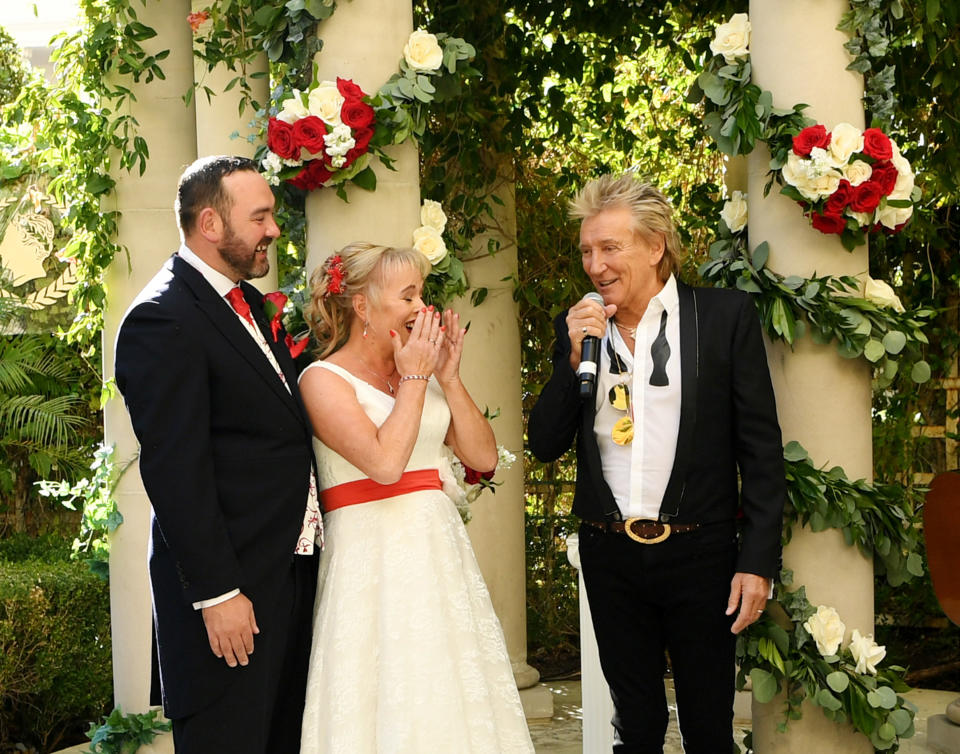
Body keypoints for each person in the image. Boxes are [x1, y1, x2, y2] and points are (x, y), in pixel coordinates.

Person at [529, 173, 785, 753]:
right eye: (588, 251)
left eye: (610, 248)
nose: (595, 266)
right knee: (636, 727)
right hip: (609, 550)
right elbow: (544, 442)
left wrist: (757, 560)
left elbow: (761, 450)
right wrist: (571, 361)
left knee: (708, 729)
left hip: (703, 553)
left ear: (655, 245)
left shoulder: (722, 318)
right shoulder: (579, 331)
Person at [114, 155, 321, 753]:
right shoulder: (162, 318)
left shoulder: (251, 306)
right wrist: (218, 594)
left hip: (286, 575)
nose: (273, 230)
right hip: (232, 600)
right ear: (210, 223)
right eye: (260, 217)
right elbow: (177, 471)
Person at [297, 242, 534, 753]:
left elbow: (484, 459)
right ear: (363, 306)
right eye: (408, 296)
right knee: (383, 693)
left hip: (439, 555)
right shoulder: (322, 380)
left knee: (448, 690)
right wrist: (415, 376)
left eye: (421, 294)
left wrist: (446, 376)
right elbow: (385, 465)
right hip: (371, 559)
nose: (421, 309)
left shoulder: (421, 374)